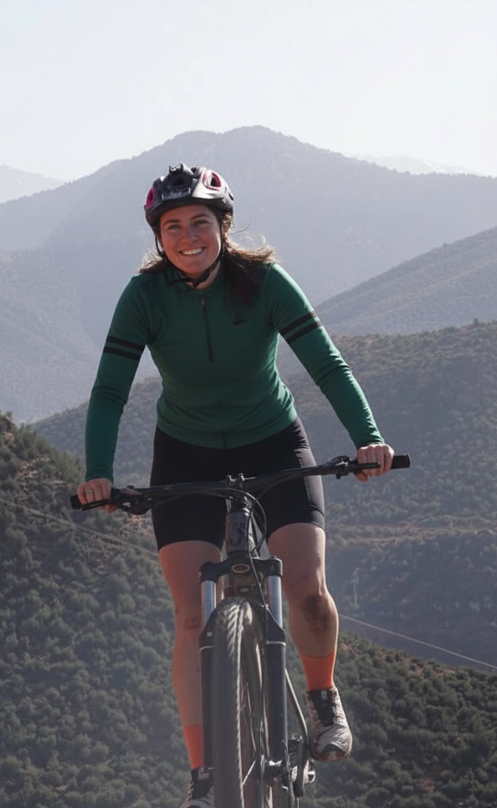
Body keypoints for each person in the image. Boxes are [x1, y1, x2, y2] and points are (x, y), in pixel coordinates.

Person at [76, 163, 394, 808]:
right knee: (192, 617)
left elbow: (326, 362)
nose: (187, 236)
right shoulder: (144, 297)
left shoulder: (265, 282)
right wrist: (97, 473)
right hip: (185, 455)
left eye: (200, 222)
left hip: (274, 440)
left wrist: (368, 437)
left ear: (222, 227)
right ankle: (204, 775)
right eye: (173, 226)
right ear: (159, 237)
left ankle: (323, 697)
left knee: (305, 587)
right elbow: (110, 390)